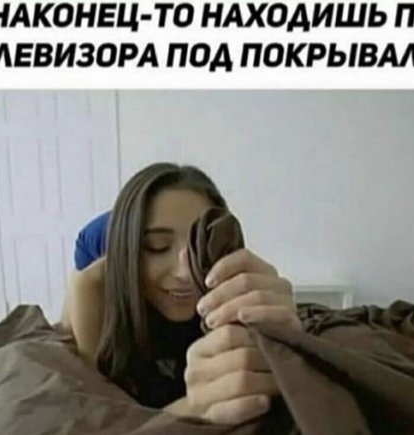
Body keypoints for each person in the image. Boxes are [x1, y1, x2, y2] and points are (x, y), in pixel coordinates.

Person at [61, 163, 299, 425]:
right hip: (101, 242)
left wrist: (282, 339)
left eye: (198, 245)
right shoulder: (94, 282)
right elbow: (106, 414)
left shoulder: (220, 256)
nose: (185, 273)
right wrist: (189, 407)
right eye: (157, 246)